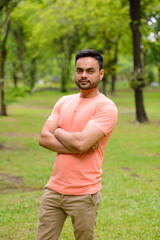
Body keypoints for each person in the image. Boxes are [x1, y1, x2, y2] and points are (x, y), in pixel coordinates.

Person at [36, 49, 118, 240]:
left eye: (90, 71)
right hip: (53, 189)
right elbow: (43, 138)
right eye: (79, 70)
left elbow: (81, 142)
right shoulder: (64, 101)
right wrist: (77, 144)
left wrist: (57, 131)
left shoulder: (105, 107)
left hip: (84, 193)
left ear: (101, 73)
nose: (83, 75)